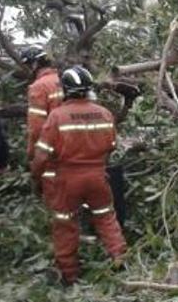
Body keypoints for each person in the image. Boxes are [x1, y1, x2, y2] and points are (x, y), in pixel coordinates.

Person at [30, 65, 126, 284]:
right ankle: (120, 257)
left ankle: (69, 274)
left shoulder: (57, 116)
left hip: (67, 180)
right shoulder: (104, 113)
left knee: (65, 224)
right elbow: (111, 146)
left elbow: (41, 156)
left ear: (65, 89)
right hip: (98, 177)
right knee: (106, 218)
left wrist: (36, 177)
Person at [21, 46, 63, 162]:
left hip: (52, 148)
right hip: (73, 144)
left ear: (34, 64)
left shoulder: (39, 87)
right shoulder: (63, 80)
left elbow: (36, 127)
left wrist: (32, 154)